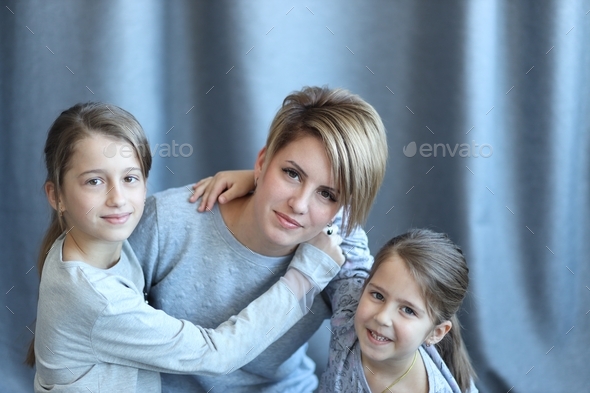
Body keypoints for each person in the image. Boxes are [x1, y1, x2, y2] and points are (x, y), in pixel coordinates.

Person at [27, 102, 346, 393]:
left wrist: (264, 182)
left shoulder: (88, 242)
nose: (117, 199)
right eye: (94, 181)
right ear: (56, 196)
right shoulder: (95, 299)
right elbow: (218, 355)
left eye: (130, 178)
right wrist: (306, 275)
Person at [129, 86, 389, 392]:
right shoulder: (167, 222)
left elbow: (383, 338)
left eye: (327, 194)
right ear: (262, 161)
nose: (299, 204)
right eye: (292, 174)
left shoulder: (334, 252)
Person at [319, 229, 478, 393]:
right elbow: (344, 223)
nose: (382, 318)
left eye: (408, 310)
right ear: (365, 286)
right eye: (378, 295)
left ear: (436, 333)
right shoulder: (350, 306)